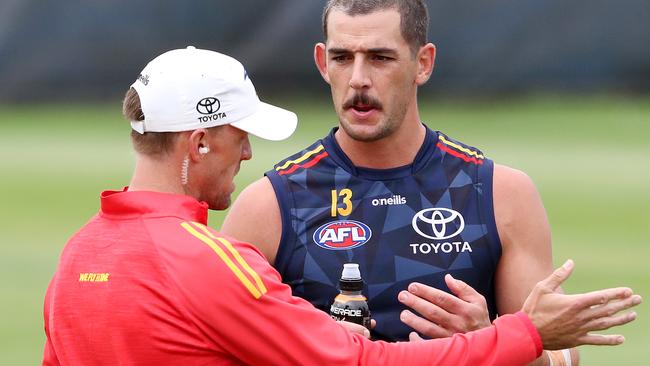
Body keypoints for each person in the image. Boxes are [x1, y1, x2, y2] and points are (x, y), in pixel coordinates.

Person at [42, 47, 641, 365]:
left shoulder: (77, 255)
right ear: (199, 142)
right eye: (239, 134)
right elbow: (358, 364)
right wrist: (523, 335)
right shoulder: (210, 261)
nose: (249, 153)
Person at [219, 1, 612, 365]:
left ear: (423, 64)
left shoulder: (499, 192)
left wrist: (492, 338)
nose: (358, 79)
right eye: (342, 58)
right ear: (323, 63)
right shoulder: (270, 205)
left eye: (380, 58)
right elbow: (222, 349)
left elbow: (561, 356)